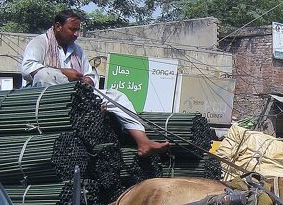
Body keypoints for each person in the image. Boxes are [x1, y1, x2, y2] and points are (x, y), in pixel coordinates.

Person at [21, 10, 171, 156]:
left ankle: (143, 142)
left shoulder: (77, 50)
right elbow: (28, 68)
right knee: (45, 74)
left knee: (116, 96)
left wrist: (89, 79)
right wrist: (63, 72)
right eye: (72, 29)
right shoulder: (41, 42)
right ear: (58, 26)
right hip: (51, 97)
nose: (76, 34)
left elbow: (90, 74)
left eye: (78, 30)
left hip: (78, 96)